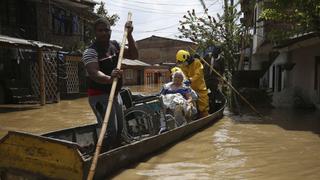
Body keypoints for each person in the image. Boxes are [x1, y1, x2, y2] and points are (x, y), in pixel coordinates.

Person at [81, 18, 138, 151]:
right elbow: (94, 73)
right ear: (95, 32)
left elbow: (134, 55)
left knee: (120, 130)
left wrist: (129, 35)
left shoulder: (116, 45)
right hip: (99, 96)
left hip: (115, 94)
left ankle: (117, 152)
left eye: (106, 30)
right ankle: (100, 155)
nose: (104, 33)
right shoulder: (91, 51)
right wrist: (109, 78)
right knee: (111, 131)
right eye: (100, 30)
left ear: (110, 31)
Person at [176, 50, 209, 118]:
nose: (183, 64)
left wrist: (190, 80)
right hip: (191, 89)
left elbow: (198, 74)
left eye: (183, 62)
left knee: (203, 106)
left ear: (187, 58)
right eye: (182, 63)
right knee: (190, 105)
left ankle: (205, 117)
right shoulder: (183, 66)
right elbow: (184, 75)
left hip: (200, 88)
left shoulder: (197, 62)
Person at [203, 46, 224, 113]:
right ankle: (204, 109)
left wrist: (220, 77)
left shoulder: (221, 59)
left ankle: (213, 109)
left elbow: (222, 70)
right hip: (205, 78)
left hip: (214, 80)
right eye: (214, 51)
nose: (214, 53)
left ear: (219, 53)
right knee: (204, 94)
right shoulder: (207, 56)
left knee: (213, 95)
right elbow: (201, 62)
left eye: (216, 52)